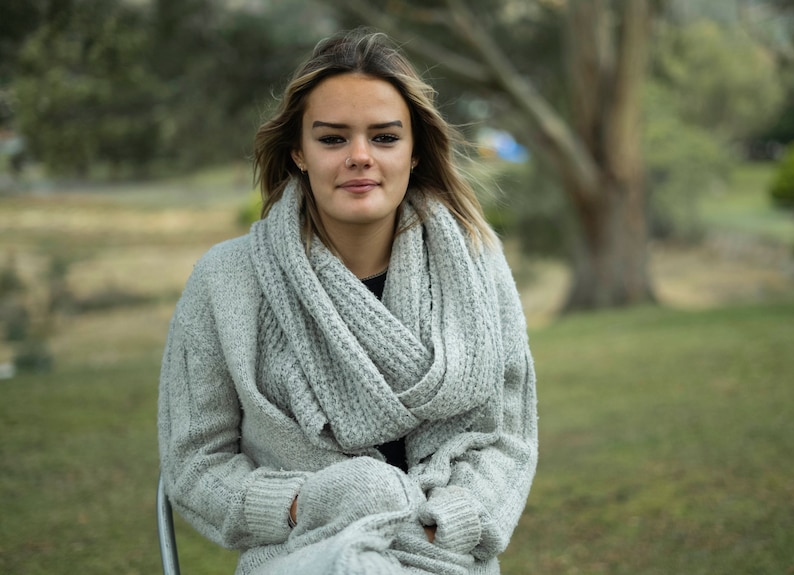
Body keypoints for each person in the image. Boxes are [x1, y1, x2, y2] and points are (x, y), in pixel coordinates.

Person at [158, 28, 537, 575]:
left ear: (414, 152)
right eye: (333, 139)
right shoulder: (226, 281)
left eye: (384, 138)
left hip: (444, 556)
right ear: (299, 152)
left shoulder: (478, 264)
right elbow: (195, 466)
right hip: (302, 555)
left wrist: (449, 519)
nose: (360, 156)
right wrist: (307, 505)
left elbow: (507, 436)